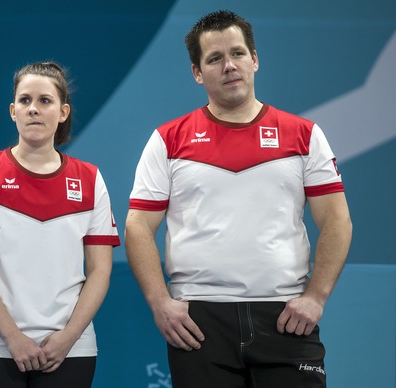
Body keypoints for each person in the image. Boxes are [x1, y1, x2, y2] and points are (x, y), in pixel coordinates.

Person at [125, 10, 352, 388]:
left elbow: (337, 221)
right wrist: (160, 303)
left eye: (238, 53)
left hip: (285, 317)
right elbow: (137, 225)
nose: (229, 66)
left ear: (255, 59)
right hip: (198, 321)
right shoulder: (167, 140)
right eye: (214, 58)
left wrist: (316, 297)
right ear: (197, 73)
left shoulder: (304, 135)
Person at [0, 61, 120, 388]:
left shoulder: (90, 179)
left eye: (45, 101)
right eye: (25, 101)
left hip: (69, 349)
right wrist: (13, 337)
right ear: (13, 111)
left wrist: (69, 337)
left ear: (63, 112)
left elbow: (100, 271)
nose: (33, 109)